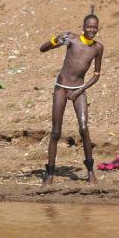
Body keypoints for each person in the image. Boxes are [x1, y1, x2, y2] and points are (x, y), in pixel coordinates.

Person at [39, 10, 104, 185]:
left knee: (83, 128)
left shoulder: (98, 48)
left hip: (79, 89)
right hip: (61, 88)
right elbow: (42, 49)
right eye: (89, 26)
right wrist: (55, 41)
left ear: (98, 29)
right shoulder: (71, 38)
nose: (91, 29)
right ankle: (50, 174)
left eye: (94, 27)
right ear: (83, 27)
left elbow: (96, 75)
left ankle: (90, 172)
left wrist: (79, 90)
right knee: (55, 132)